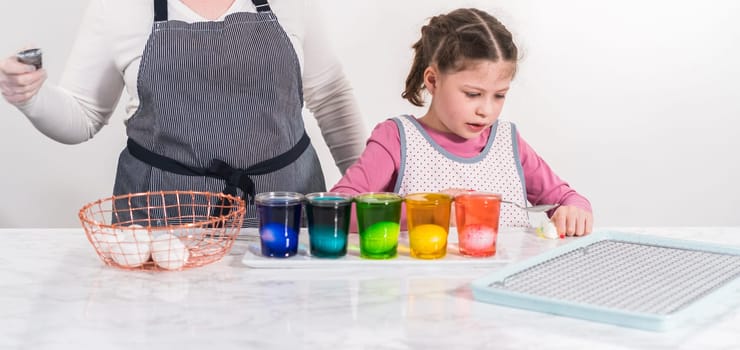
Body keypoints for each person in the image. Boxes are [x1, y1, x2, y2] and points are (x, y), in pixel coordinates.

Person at [0, 0, 367, 226]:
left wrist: (370, 197)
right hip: (162, 222)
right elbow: (83, 116)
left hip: (285, 212)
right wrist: (31, 97)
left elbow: (331, 96)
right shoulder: (119, 7)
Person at [331, 8, 593, 237]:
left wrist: (574, 211)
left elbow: (568, 199)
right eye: (472, 94)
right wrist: (428, 209)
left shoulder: (508, 141)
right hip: (422, 290)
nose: (486, 110)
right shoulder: (397, 139)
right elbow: (336, 208)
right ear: (433, 80)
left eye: (499, 95)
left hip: (500, 289)